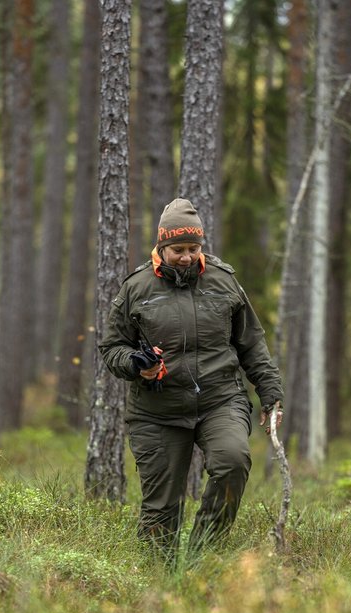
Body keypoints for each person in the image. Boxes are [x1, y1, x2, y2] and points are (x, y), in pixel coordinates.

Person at [99, 198, 283, 556]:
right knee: (161, 507)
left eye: (193, 248)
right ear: (161, 246)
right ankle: (160, 579)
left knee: (232, 462)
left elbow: (252, 343)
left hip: (220, 400)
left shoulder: (224, 282)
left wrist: (270, 392)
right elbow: (111, 348)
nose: (186, 257)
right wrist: (137, 363)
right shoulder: (136, 288)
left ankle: (203, 556)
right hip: (157, 410)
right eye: (177, 249)